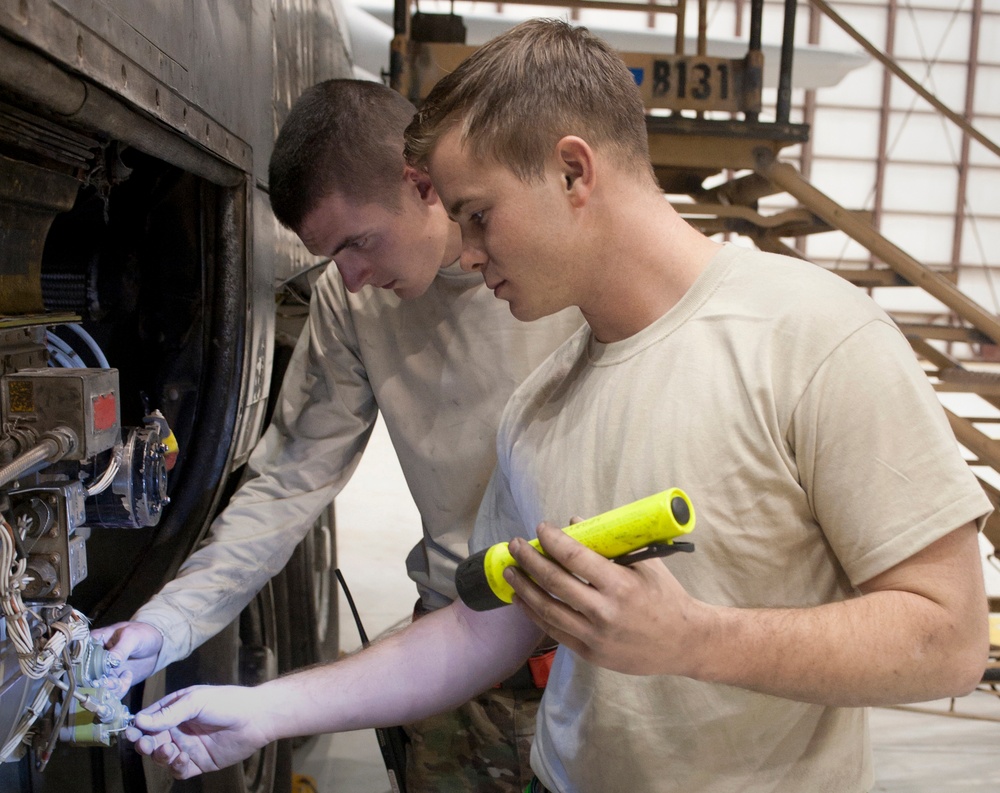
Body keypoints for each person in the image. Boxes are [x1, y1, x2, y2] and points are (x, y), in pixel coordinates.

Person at [127, 19, 991, 793]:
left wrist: (693, 640)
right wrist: (264, 709)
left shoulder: (811, 337)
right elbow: (475, 634)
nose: (466, 251)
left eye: (477, 213)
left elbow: (949, 638)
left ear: (573, 170)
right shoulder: (539, 407)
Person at [92, 78, 582, 792]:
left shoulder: (557, 276)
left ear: (421, 184)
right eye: (332, 256)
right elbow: (291, 477)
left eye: (358, 242)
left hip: (582, 669)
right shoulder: (351, 303)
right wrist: (165, 624)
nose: (349, 279)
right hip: (452, 667)